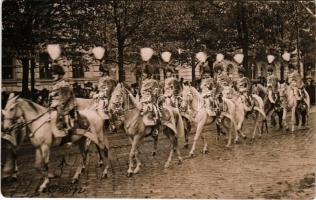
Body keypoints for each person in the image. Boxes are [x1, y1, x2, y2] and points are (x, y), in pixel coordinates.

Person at [49, 64, 76, 136]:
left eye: (55, 73)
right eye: (52, 73)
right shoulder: (55, 84)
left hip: (64, 106)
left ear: (60, 75)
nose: (52, 75)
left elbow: (65, 99)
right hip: (54, 106)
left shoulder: (64, 84)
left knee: (55, 116)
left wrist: (56, 105)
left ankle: (65, 131)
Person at [140, 67, 160, 135]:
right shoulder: (142, 82)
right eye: (142, 74)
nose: (143, 75)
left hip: (150, 100)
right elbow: (141, 92)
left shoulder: (153, 81)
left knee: (156, 112)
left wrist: (152, 92)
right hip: (142, 100)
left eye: (144, 74)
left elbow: (156, 90)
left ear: (147, 74)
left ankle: (155, 129)